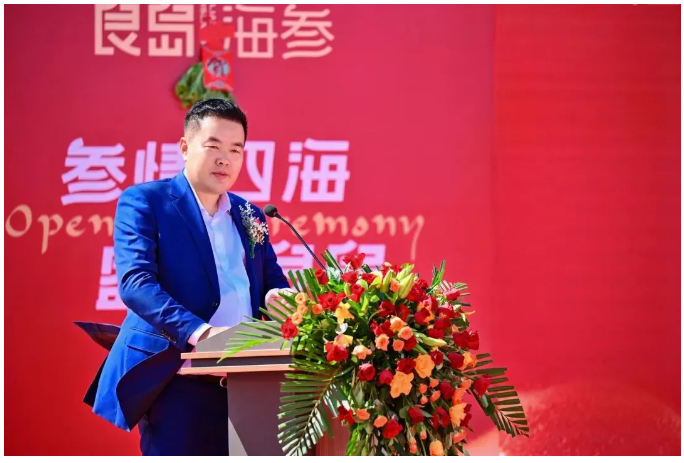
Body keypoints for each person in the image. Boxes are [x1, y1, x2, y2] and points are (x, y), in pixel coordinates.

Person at [84, 99, 291, 455]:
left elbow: (272, 282)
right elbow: (136, 284)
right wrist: (202, 334)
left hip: (250, 382)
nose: (225, 159)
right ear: (184, 147)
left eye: (235, 150)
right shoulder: (146, 202)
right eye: (213, 146)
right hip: (177, 377)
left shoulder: (250, 214)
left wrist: (280, 300)